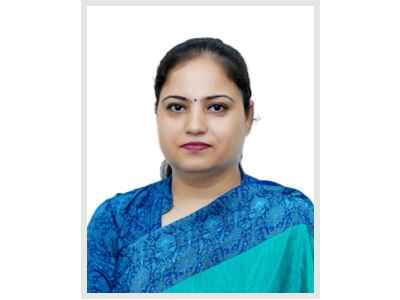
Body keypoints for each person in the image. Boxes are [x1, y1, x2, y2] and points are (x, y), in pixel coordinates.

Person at [87, 37, 314, 293]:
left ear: (248, 116)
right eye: (176, 107)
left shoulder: (291, 220)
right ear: (157, 114)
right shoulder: (117, 221)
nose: (195, 126)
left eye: (217, 107)